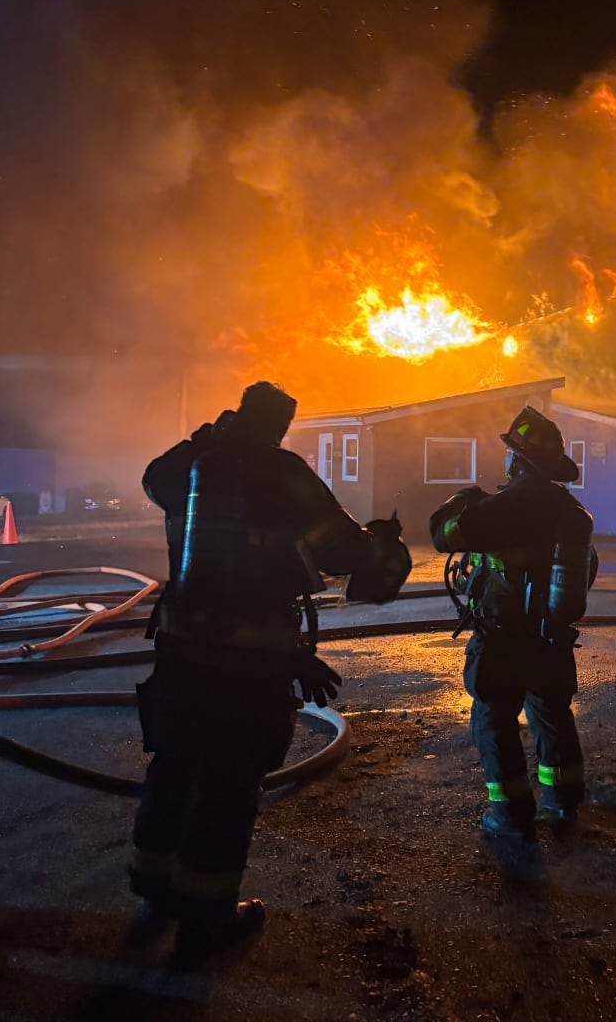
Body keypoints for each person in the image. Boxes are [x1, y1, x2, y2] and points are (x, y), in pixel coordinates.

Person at [129, 381, 411, 957]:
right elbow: (341, 551)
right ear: (280, 426)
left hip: (181, 650)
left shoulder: (190, 467)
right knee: (229, 782)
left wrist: (208, 436)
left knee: (176, 764)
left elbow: (153, 476)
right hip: (251, 659)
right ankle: (205, 920)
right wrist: (379, 542)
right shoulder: (283, 472)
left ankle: (154, 888)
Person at [430, 406, 597, 840]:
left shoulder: (505, 506)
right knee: (551, 713)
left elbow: (442, 533)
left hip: (503, 636)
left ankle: (511, 814)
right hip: (551, 636)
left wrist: (464, 497)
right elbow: (588, 568)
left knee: (494, 718)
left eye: (509, 453)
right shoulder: (570, 509)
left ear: (518, 461)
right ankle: (563, 803)